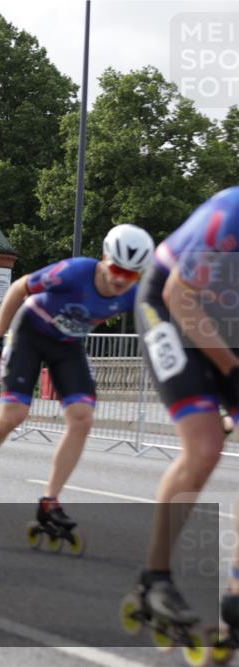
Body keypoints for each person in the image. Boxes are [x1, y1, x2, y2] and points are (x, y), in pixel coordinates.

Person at [0, 224, 155, 544]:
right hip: (30, 333)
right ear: (104, 258)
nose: (121, 279)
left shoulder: (132, 294)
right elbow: (19, 288)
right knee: (14, 414)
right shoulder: (75, 272)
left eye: (131, 274)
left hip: (67, 345)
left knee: (82, 418)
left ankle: (50, 501)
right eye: (117, 268)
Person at [127, 186, 239, 636]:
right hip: (170, 304)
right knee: (205, 446)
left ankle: (235, 592)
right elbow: (179, 295)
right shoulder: (230, 213)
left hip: (227, 320)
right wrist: (231, 370)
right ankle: (153, 579)